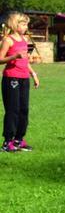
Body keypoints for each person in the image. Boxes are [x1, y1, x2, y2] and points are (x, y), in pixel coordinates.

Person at [1, 12, 40, 152]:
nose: (26, 26)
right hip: (11, 78)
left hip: (24, 79)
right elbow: (0, 59)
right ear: (15, 24)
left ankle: (18, 140)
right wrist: (14, 56)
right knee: (13, 110)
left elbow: (25, 61)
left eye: (27, 24)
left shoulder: (24, 40)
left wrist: (33, 74)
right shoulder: (8, 40)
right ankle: (7, 142)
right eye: (23, 24)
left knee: (24, 110)